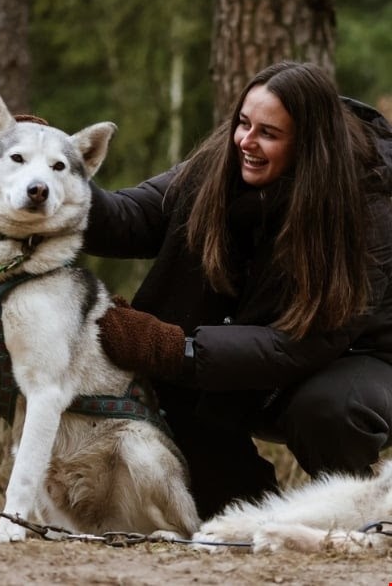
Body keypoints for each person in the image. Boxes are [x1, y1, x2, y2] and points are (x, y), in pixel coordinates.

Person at [87, 60, 392, 519]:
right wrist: (51, 174)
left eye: (268, 133)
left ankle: (367, 518)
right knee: (179, 386)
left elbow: (307, 340)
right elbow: (136, 216)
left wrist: (177, 348)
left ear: (308, 145)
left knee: (327, 410)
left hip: (359, 359)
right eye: (243, 124)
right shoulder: (222, 164)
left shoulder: (369, 206)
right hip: (260, 345)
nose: (246, 142)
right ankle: (245, 515)